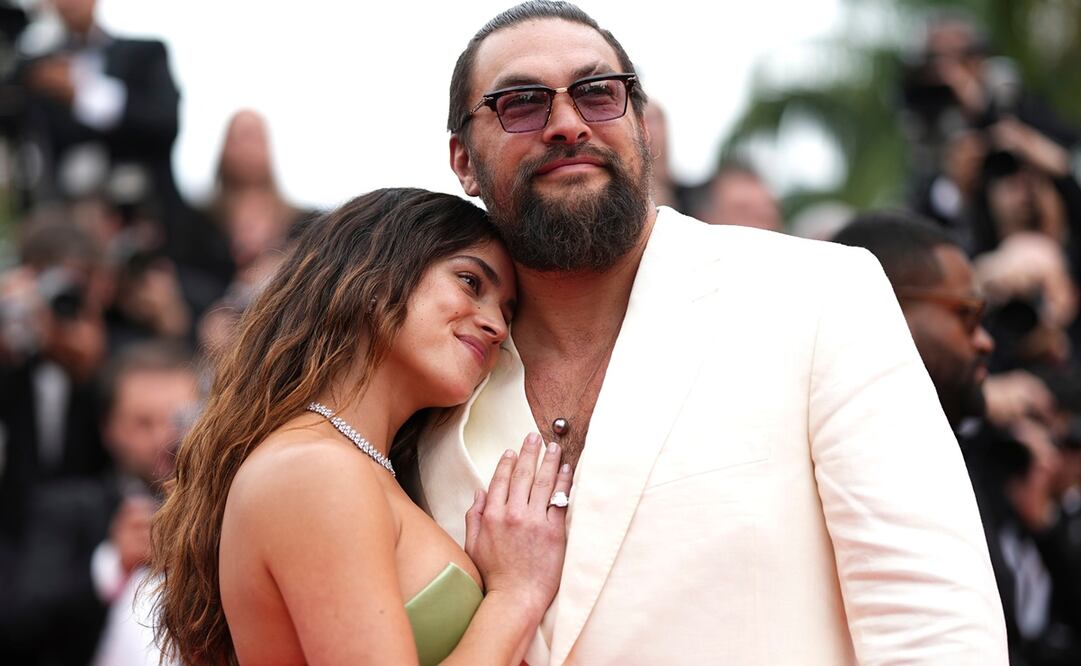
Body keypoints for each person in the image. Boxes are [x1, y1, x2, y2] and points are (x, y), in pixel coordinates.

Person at [417, 2, 1008, 663]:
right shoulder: (427, 389)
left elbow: (935, 630)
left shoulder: (817, 295)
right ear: (462, 159)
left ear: (641, 125)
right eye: (521, 103)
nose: (566, 124)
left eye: (597, 93)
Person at [151, 188, 573, 665]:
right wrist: (515, 594)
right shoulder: (313, 470)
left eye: (508, 312)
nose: (496, 324)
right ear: (374, 275)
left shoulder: (353, 465)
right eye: (471, 282)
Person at [834, 211, 1081, 664]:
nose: (986, 341)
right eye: (966, 315)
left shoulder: (989, 451)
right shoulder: (839, 473)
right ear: (886, 306)